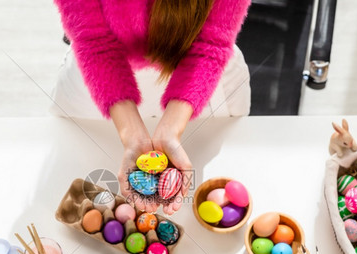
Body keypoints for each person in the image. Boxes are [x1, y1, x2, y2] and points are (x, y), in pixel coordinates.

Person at [51, 0, 252, 214]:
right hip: (98, 78)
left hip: (204, 81)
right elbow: (94, 41)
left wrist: (171, 132)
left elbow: (211, 43)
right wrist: (132, 136)